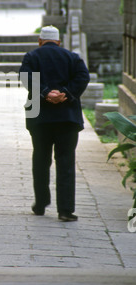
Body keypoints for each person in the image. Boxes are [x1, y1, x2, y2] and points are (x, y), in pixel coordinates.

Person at [19, 25, 90, 222]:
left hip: (40, 118)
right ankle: (65, 210)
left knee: (41, 160)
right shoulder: (72, 57)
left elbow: (25, 77)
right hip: (67, 117)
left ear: (40, 41)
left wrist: (45, 93)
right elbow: (84, 76)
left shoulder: (32, 56)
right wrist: (66, 93)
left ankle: (41, 203)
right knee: (65, 162)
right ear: (59, 42)